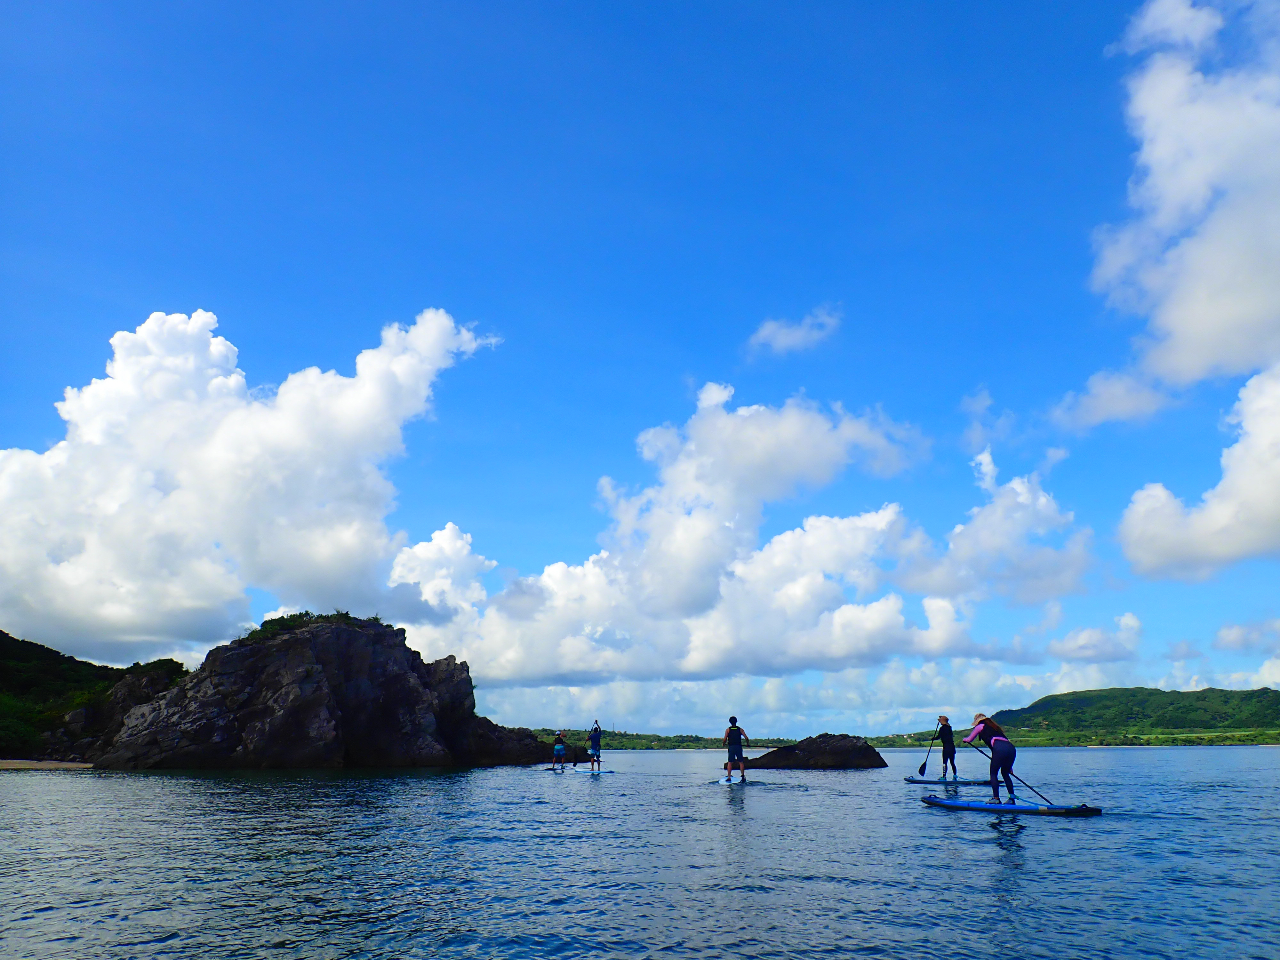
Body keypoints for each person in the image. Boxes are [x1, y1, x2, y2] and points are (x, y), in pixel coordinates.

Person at [963, 713, 1016, 804]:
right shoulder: (996, 728)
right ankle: (1011, 799)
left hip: (999, 750)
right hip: (1011, 749)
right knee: (1005, 773)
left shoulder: (980, 726)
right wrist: (1009, 767)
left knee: (993, 773)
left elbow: (969, 739)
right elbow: (1002, 746)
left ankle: (996, 798)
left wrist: (965, 740)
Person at [723, 716, 749, 782]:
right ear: (736, 721)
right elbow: (746, 738)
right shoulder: (740, 729)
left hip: (731, 747)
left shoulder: (728, 730)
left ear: (730, 722)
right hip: (738, 747)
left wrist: (723, 744)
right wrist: (747, 744)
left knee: (730, 762)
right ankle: (743, 776)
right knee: (741, 762)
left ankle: (729, 777)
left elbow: (725, 739)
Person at [932, 715, 957, 779]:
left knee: (944, 762)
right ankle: (955, 775)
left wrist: (933, 738)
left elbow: (938, 737)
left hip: (946, 747)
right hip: (952, 747)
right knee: (952, 762)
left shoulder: (942, 728)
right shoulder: (949, 728)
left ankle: (944, 776)